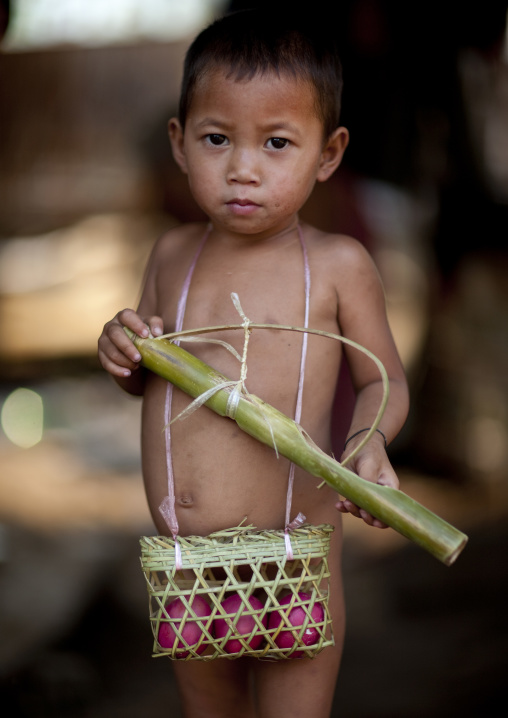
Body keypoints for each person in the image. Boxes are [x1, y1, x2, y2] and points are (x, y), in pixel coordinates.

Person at [98, 10, 409, 718]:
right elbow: (144, 384)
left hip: (292, 562)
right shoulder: (171, 255)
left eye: (276, 143)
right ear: (179, 143)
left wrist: (368, 445)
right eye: (216, 139)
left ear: (327, 154)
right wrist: (121, 353)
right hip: (187, 572)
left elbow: (381, 377)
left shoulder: (334, 266)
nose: (243, 168)